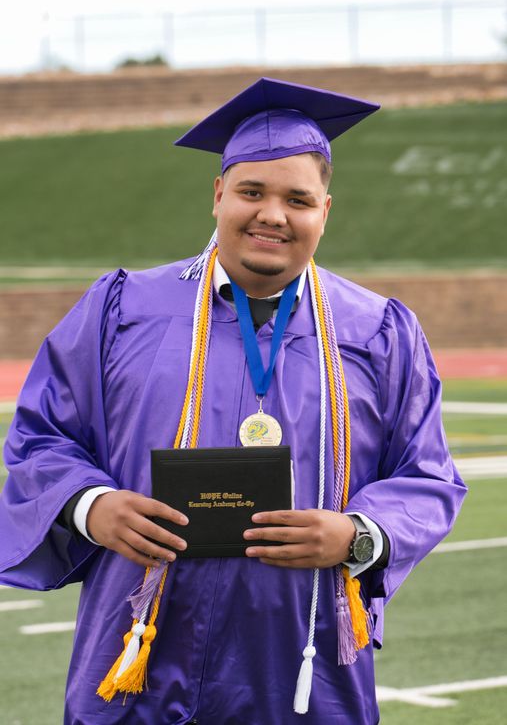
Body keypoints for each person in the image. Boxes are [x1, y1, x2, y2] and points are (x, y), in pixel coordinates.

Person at [0, 77, 466, 725]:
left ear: (323, 211)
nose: (272, 214)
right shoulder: (122, 310)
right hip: (137, 652)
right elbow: (39, 437)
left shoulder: (378, 332)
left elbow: (427, 474)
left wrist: (357, 534)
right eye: (252, 191)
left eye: (296, 199)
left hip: (304, 667)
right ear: (218, 194)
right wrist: (90, 507)